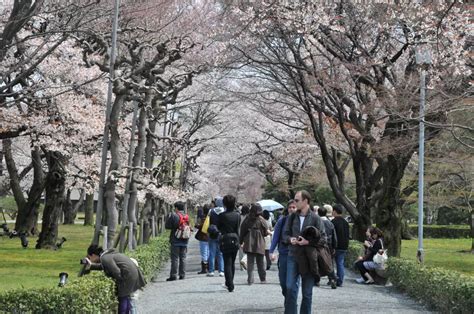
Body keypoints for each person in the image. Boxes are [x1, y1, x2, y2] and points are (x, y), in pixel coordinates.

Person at [283, 190, 326, 314]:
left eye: (297, 200)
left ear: (305, 201)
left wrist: (307, 242)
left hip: (308, 258)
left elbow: (323, 239)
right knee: (290, 287)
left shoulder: (316, 218)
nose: (294, 203)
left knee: (307, 293)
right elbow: (285, 235)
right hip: (293, 255)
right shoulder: (291, 217)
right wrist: (290, 239)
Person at [85, 245, 146, 314]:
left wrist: (117, 283)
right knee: (126, 297)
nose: (90, 260)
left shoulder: (104, 258)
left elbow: (116, 272)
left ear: (93, 255)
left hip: (127, 276)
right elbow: (106, 266)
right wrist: (92, 266)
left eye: (89, 258)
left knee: (122, 297)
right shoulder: (107, 254)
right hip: (133, 273)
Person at [270, 200, 297, 299]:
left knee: (293, 281)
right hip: (284, 253)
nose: (292, 209)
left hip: (296, 253)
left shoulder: (301, 220)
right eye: (290, 207)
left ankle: (291, 302)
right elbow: (276, 236)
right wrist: (271, 251)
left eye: (294, 207)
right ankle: (287, 295)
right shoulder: (282, 220)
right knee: (283, 280)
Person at [240, 203, 269, 285]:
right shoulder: (261, 219)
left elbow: (242, 231)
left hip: (249, 241)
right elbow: (266, 231)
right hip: (259, 241)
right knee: (260, 262)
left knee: (250, 262)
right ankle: (263, 279)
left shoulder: (247, 219)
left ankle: (250, 280)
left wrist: (241, 241)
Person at [217, 194, 241, 292]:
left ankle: (229, 284)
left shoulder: (221, 216)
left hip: (225, 238)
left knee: (227, 262)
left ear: (224, 204)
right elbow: (238, 228)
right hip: (235, 238)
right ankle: (230, 282)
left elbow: (218, 227)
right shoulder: (237, 215)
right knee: (232, 263)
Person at [165, 201, 189, 281]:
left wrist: (168, 217)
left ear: (176, 208)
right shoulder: (186, 216)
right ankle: (182, 274)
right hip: (185, 239)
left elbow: (167, 226)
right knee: (183, 257)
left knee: (175, 258)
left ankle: (173, 275)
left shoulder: (174, 216)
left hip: (175, 239)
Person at [317, 206, 338, 289]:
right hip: (329, 245)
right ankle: (332, 279)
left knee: (318, 262)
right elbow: (334, 236)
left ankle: (317, 279)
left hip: (318, 245)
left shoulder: (317, 222)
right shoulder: (330, 223)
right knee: (329, 262)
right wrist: (334, 247)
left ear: (318, 213)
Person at [331, 204, 350, 287]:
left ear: (334, 211)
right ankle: (340, 281)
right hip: (344, 246)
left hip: (336, 246)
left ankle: (332, 279)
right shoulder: (346, 222)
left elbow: (332, 235)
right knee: (340, 263)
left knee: (331, 263)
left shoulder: (333, 222)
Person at [207, 197, 225, 277]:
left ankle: (211, 271)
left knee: (211, 252)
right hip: (221, 233)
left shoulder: (211, 211)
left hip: (212, 233)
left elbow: (208, 221)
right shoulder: (224, 210)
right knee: (220, 253)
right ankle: (221, 271)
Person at [195, 204, 210, 274]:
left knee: (204, 252)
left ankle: (205, 268)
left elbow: (201, 227)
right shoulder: (211, 217)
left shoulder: (204, 218)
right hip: (210, 237)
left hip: (203, 237)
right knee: (208, 252)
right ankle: (209, 266)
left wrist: (196, 225)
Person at [239, 204, 250, 270]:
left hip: (240, 234)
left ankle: (241, 267)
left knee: (241, 251)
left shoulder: (239, 216)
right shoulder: (248, 217)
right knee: (248, 250)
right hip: (247, 235)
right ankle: (245, 262)